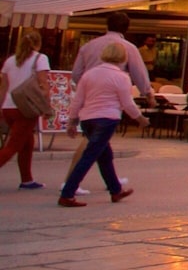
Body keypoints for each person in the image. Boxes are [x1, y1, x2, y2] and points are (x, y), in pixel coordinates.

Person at [58, 43, 149, 207]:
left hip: (87, 118)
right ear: (123, 58)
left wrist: (72, 120)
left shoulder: (89, 74)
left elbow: (78, 99)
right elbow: (127, 103)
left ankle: (115, 190)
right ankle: (68, 193)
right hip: (107, 118)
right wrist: (139, 118)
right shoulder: (121, 77)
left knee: (104, 155)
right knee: (90, 155)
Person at [0, 32, 51, 189]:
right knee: (13, 146)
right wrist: (46, 105)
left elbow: (3, 87)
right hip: (26, 107)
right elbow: (43, 84)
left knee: (27, 142)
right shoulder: (40, 59)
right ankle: (26, 179)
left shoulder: (10, 61)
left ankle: (27, 179)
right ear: (38, 43)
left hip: (9, 106)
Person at [72, 12, 152, 100]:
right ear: (126, 28)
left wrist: (86, 87)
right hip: (114, 97)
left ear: (107, 26)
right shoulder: (129, 48)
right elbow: (139, 74)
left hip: (89, 95)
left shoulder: (88, 46)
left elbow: (76, 73)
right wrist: (148, 94)